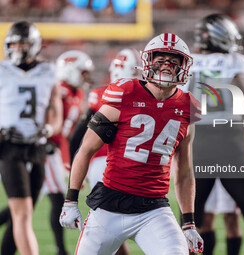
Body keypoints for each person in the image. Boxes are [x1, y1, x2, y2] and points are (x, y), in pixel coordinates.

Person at [59, 33, 204, 255]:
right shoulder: (124, 93)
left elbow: (184, 172)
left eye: (174, 62)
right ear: (148, 63)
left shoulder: (187, 107)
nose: (167, 67)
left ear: (183, 67)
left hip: (153, 209)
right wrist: (70, 200)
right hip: (109, 206)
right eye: (161, 61)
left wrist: (189, 223)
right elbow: (86, 149)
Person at [189, 14, 244, 255]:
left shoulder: (187, 62)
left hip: (197, 145)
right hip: (230, 143)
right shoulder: (235, 62)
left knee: (190, 224)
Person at [69, 48, 141, 255]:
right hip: (113, 165)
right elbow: (79, 137)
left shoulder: (103, 94)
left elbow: (77, 137)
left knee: (112, 226)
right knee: (112, 224)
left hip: (106, 166)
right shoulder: (114, 95)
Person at [0, 21, 63, 255]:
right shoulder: (2, 70)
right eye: (13, 43)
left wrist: (49, 129)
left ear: (34, 45)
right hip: (9, 146)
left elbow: (56, 110)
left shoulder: (47, 71)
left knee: (26, 211)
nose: (17, 48)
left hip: (37, 146)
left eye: (23, 43)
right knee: (22, 212)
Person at [43, 49, 94, 255]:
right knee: (51, 200)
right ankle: (61, 250)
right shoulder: (57, 89)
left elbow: (69, 135)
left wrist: (70, 161)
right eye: (82, 72)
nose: (85, 77)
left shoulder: (77, 93)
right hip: (44, 150)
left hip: (54, 151)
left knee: (23, 206)